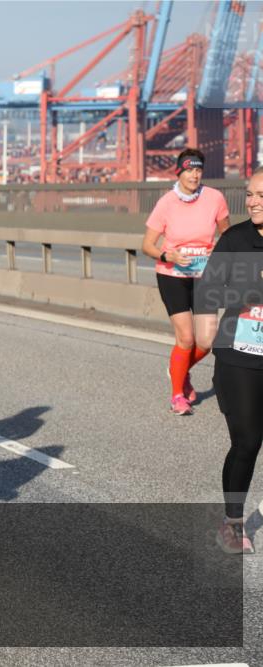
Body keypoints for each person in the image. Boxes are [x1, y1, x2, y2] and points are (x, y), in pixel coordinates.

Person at [194, 166, 263, 554]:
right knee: (248, 440)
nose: (252, 202)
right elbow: (207, 290)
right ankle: (232, 524)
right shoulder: (235, 240)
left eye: (261, 196)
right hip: (239, 357)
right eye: (250, 194)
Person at [141, 148, 230, 415]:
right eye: (189, 169)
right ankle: (178, 396)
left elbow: (228, 236)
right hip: (172, 276)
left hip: (205, 276)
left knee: (206, 341)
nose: (194, 175)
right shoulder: (166, 203)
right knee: (187, 338)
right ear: (179, 172)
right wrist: (166, 254)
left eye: (198, 169)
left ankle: (179, 369)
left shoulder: (215, 198)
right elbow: (147, 245)